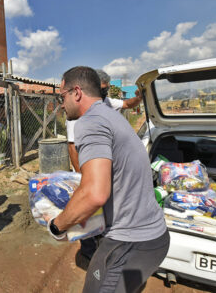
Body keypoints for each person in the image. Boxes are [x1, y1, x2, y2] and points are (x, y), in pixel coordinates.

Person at [49, 66, 169, 293]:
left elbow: (94, 194)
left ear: (76, 92)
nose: (61, 104)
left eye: (61, 96)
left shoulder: (90, 121)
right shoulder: (110, 115)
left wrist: (57, 226)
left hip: (130, 243)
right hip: (152, 238)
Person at [66, 69, 143, 262]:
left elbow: (126, 103)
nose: (104, 93)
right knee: (88, 210)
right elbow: (72, 147)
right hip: (87, 169)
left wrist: (140, 97)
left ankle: (104, 239)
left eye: (106, 89)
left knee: (105, 207)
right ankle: (89, 248)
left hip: (104, 166)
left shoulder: (106, 103)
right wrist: (82, 175)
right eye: (102, 89)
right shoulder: (78, 113)